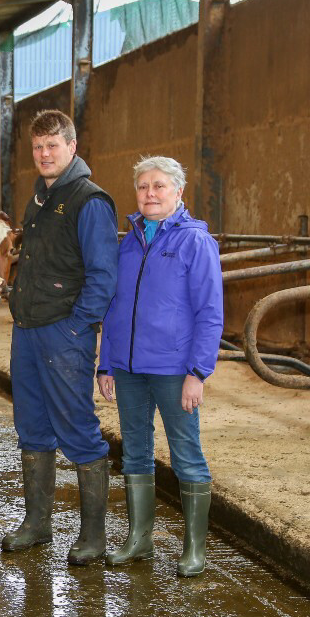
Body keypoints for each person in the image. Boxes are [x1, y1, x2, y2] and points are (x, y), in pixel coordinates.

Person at [96, 156, 223, 577]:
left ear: (178, 192)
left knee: (186, 452)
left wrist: (198, 372)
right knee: (135, 450)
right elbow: (115, 308)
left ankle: (194, 549)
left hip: (174, 370)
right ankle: (140, 539)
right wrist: (106, 364)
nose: (149, 194)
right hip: (129, 368)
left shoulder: (194, 242)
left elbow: (209, 313)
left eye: (159, 186)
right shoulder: (128, 242)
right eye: (143, 187)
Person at [3, 110, 118, 565]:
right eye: (38, 147)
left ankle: (93, 536)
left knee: (78, 429)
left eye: (53, 145)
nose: (45, 154)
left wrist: (76, 326)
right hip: (29, 331)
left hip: (64, 332)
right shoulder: (39, 199)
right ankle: (37, 523)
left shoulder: (89, 201)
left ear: (72, 146)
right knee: (31, 426)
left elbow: (103, 276)